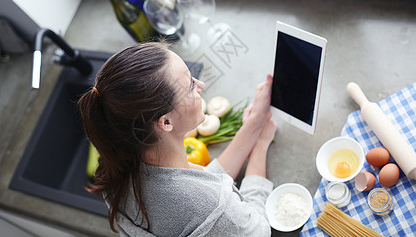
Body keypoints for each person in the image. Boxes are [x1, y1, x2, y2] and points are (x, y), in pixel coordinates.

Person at [78, 42, 277, 236]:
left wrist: (253, 126)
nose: (201, 85)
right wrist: (260, 145)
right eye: (190, 84)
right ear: (165, 122)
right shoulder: (211, 208)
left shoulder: (119, 170)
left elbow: (202, 181)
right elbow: (259, 229)